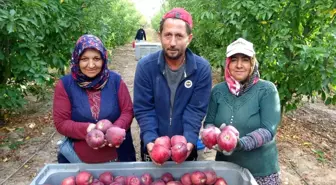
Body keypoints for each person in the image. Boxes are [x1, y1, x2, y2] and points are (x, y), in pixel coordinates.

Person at [133, 8, 212, 163]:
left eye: (179, 36)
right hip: (154, 146)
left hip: (185, 147)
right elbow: (144, 108)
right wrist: (150, 139)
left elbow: (196, 110)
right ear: (160, 36)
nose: (173, 43)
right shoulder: (146, 67)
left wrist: (189, 140)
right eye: (168, 35)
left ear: (189, 38)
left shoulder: (201, 69)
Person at [204, 38, 281, 184]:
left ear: (252, 63)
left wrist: (240, 143)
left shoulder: (267, 90)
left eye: (245, 60)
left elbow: (268, 130)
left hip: (260, 171)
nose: (239, 65)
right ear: (228, 63)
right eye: (234, 60)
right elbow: (209, 123)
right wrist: (210, 135)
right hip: (226, 168)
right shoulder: (218, 91)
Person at [53, 34, 136, 163]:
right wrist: (88, 129)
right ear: (77, 59)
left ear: (104, 59)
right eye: (84, 59)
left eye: (96, 58)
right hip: (79, 160)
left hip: (118, 156)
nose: (91, 65)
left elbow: (127, 111)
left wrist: (114, 131)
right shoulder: (65, 85)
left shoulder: (115, 80)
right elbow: (61, 123)